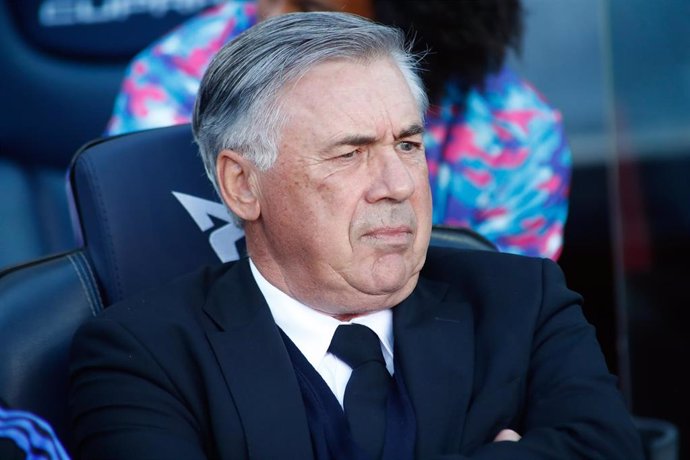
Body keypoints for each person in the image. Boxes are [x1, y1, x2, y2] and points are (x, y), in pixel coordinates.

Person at [69, 12, 642, 459]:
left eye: (408, 145)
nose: (396, 185)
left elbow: (609, 450)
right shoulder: (142, 352)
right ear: (242, 185)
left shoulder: (522, 300)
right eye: (350, 153)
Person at [105, 0, 570, 260]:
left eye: (310, 6)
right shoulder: (176, 78)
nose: (271, 10)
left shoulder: (515, 136)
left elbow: (498, 337)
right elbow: (148, 279)